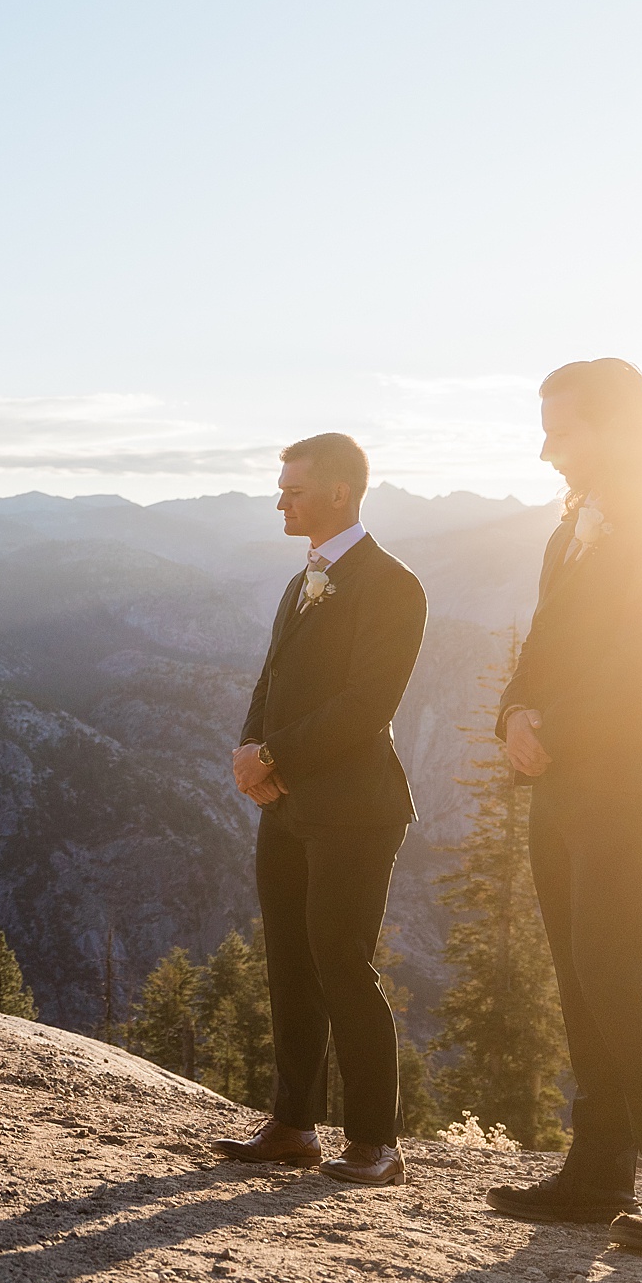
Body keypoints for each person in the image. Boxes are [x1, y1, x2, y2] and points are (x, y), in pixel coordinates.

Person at [484, 359, 642, 1259]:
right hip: (566, 782)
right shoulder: (571, 532)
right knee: (579, 974)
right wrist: (516, 712)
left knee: (615, 972)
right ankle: (596, 1175)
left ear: (616, 428)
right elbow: (544, 642)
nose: (547, 446)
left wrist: (557, 727)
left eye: (563, 427)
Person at [211, 433, 427, 1186]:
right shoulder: (302, 580)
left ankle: (376, 1141)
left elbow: (366, 704)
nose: (281, 499)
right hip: (289, 803)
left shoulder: (394, 585)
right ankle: (293, 1124)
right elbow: (269, 683)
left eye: (293, 488)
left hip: (357, 811)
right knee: (289, 963)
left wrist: (274, 757)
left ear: (340, 492)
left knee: (341, 962)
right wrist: (249, 749)